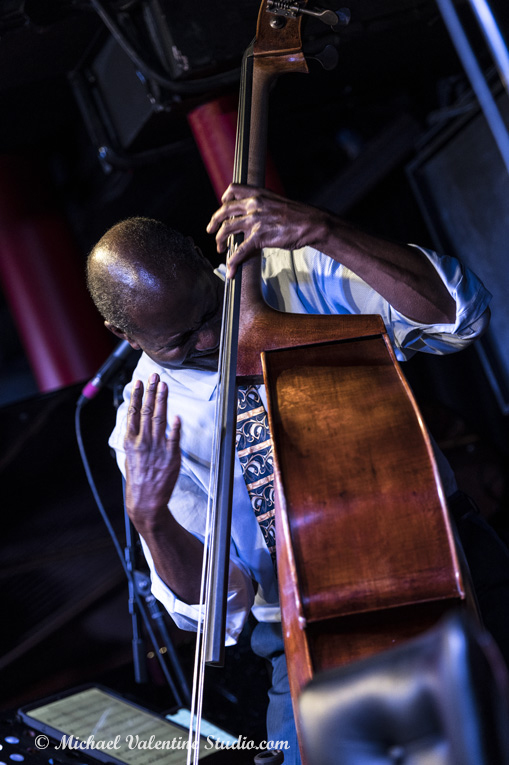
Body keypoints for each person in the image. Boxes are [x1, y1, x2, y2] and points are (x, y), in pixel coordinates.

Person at [87, 184, 496, 764]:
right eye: (178, 341)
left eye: (209, 312)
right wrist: (150, 520)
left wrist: (327, 231)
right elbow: (216, 608)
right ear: (125, 336)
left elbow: (462, 316)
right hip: (301, 630)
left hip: (447, 561)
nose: (208, 340)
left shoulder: (290, 277)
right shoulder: (145, 424)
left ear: (204, 263)